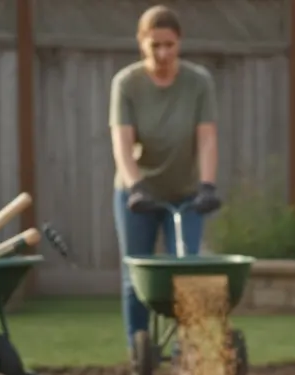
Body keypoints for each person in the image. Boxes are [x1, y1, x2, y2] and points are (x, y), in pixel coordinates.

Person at [109, 4, 222, 354]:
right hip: (138, 196)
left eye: (169, 45)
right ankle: (139, 354)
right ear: (141, 42)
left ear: (179, 42)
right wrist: (136, 187)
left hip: (186, 194)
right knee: (136, 276)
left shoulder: (198, 82)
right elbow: (123, 144)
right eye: (154, 45)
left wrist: (207, 185)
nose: (162, 53)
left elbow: (206, 138)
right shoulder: (127, 84)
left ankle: (184, 352)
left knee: (186, 274)